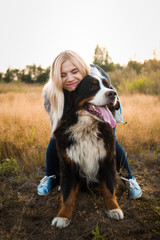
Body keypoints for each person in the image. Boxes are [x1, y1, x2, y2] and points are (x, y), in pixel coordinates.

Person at [37, 50, 142, 199]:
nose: (70, 78)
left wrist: (107, 113)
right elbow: (57, 126)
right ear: (56, 77)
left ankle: (129, 178)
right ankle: (50, 176)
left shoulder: (96, 76)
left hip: (104, 104)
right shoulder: (50, 92)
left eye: (74, 71)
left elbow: (110, 95)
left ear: (82, 68)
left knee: (109, 140)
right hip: (69, 111)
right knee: (56, 138)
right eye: (62, 75)